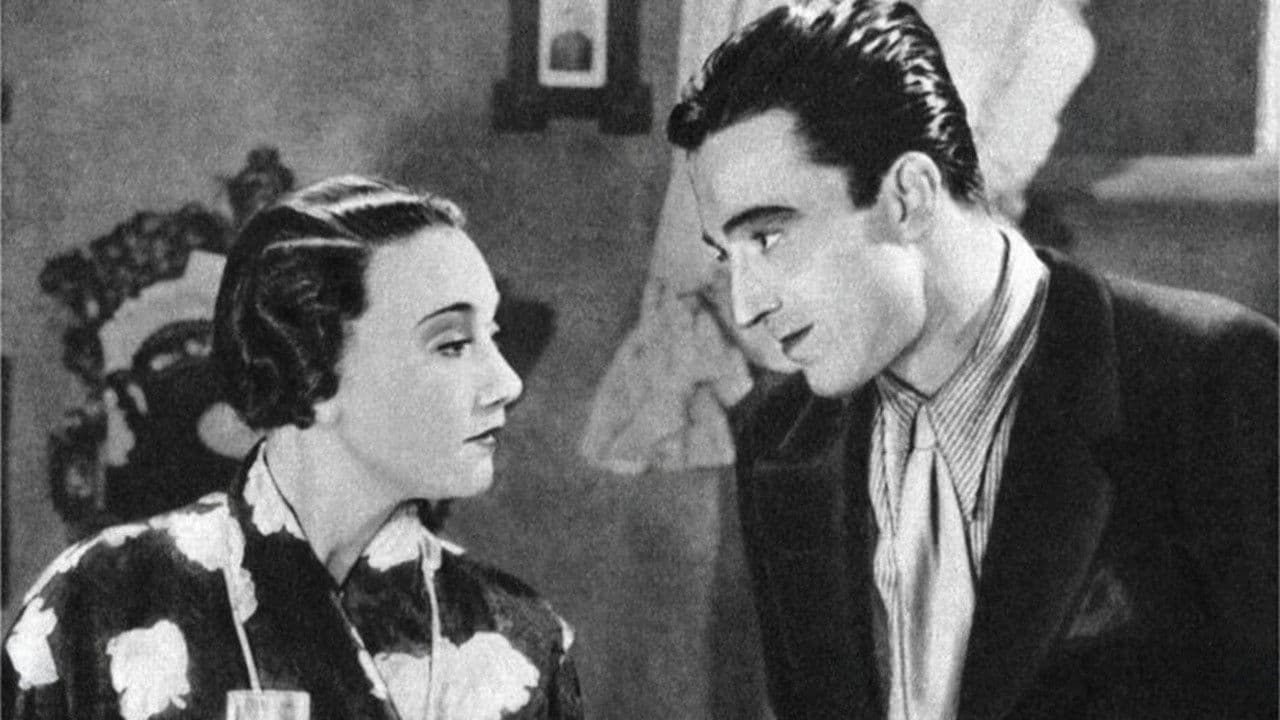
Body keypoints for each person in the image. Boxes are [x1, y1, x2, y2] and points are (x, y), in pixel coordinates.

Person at [667, 2, 1278, 719]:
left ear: (909, 196)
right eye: (726, 256)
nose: (745, 306)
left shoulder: (1212, 381)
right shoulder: (784, 444)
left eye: (768, 238)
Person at [4, 176, 583, 720]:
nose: (507, 382)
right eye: (452, 344)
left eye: (493, 336)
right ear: (314, 367)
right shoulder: (93, 606)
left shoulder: (520, 642)